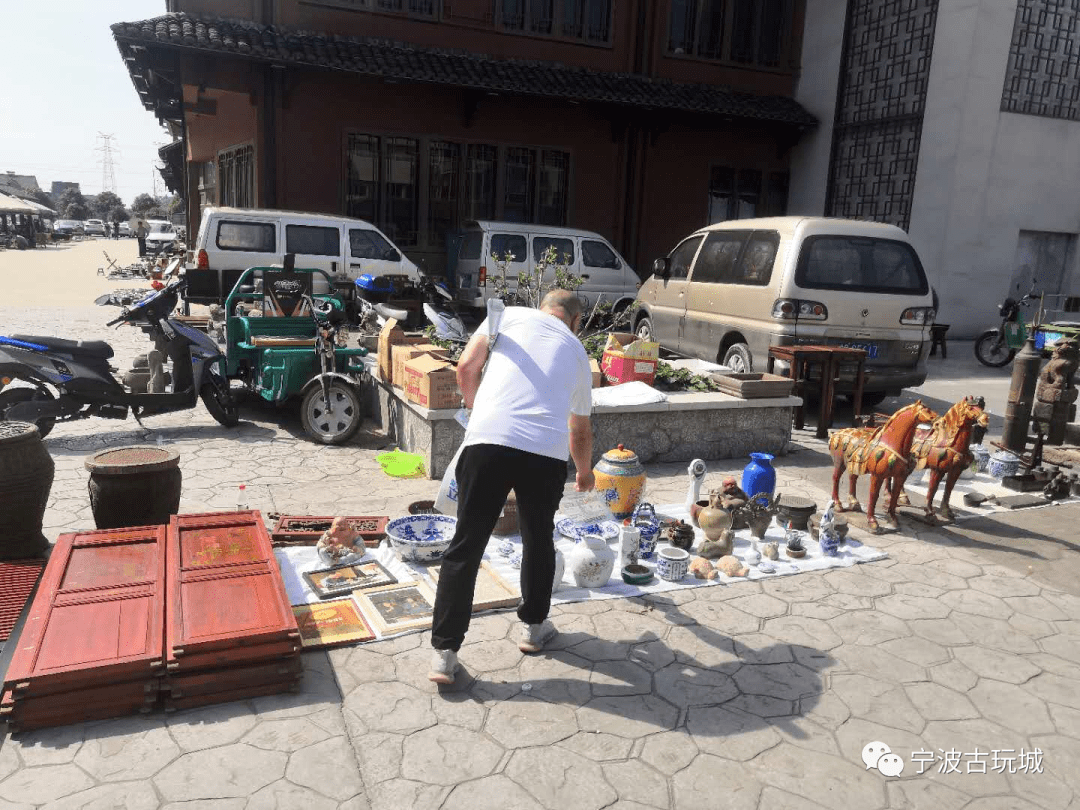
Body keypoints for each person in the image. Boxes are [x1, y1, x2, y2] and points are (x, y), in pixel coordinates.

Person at [428, 289, 594, 685]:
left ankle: (444, 655)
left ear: (543, 309)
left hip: (487, 442)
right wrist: (584, 472)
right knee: (538, 538)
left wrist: (475, 409)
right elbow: (580, 428)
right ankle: (534, 630)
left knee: (466, 544)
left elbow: (467, 367)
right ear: (574, 320)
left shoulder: (507, 318)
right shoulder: (576, 351)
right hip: (545, 455)